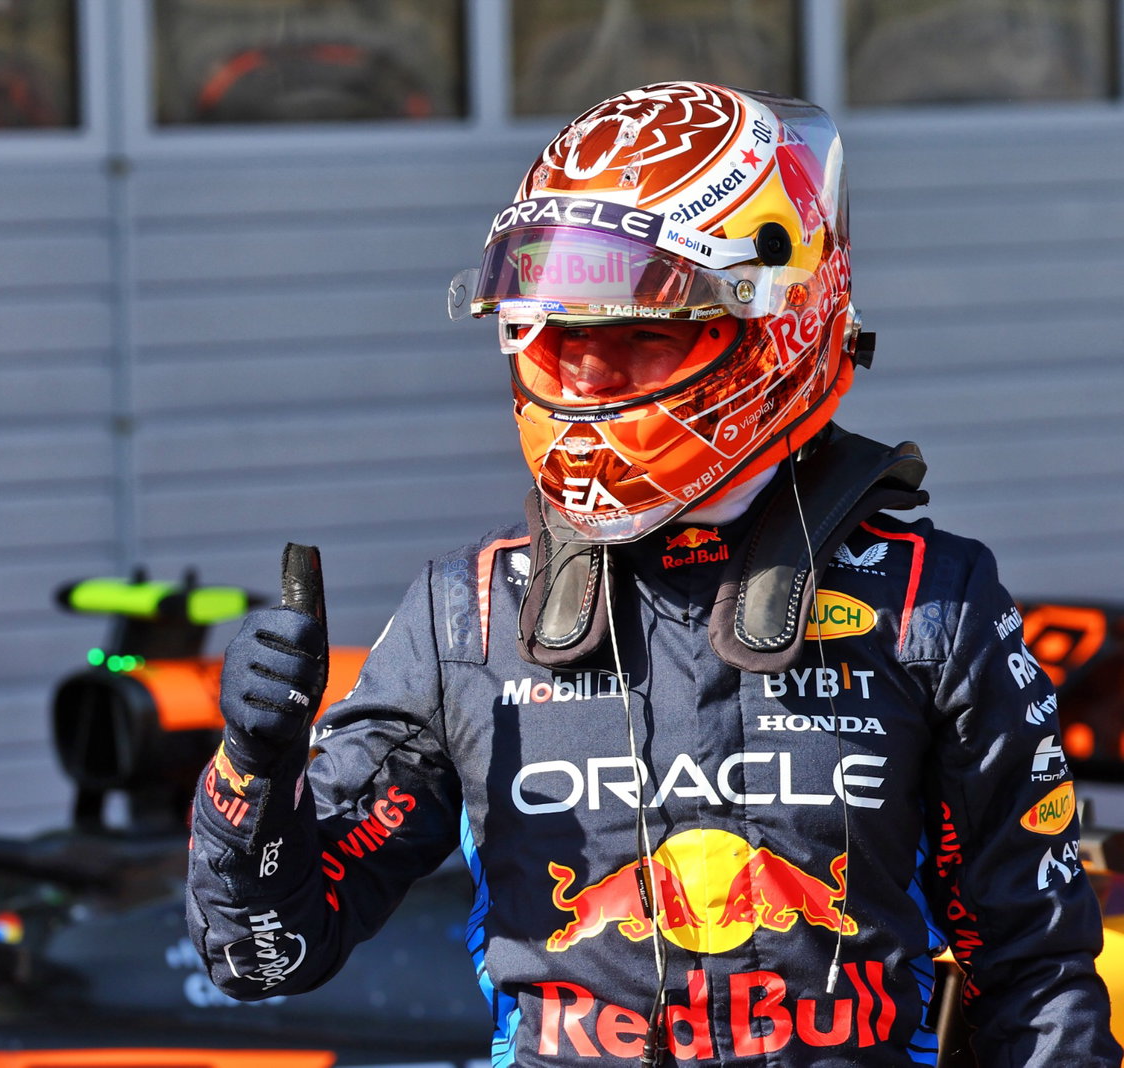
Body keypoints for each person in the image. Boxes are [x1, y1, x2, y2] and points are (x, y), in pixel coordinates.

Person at [184, 81, 1119, 1065]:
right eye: (561, 338)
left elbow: (1037, 977)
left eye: (640, 333)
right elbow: (262, 957)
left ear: (777, 324)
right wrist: (252, 770)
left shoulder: (931, 603)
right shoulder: (467, 617)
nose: (587, 379)